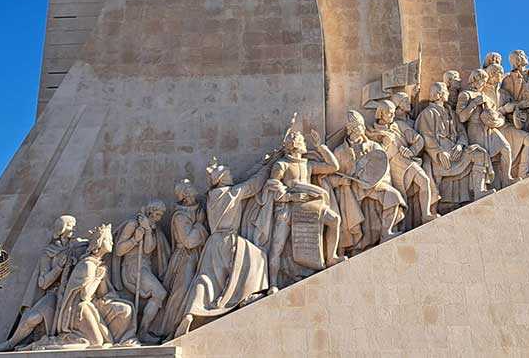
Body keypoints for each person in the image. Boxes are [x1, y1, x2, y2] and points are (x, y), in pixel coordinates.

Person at [173, 159, 272, 338]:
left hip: (212, 243)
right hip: (229, 240)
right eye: (228, 174)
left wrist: (264, 162)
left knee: (205, 279)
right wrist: (268, 167)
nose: (232, 176)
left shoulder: (211, 196)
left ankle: (190, 313)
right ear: (223, 179)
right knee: (258, 256)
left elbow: (248, 176)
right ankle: (246, 295)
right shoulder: (233, 193)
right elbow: (254, 184)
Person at [256, 124, 344, 285]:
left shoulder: (307, 165)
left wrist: (321, 146)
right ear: (294, 145)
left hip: (307, 208)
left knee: (334, 220)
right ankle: (273, 284)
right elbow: (273, 189)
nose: (305, 143)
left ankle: (331, 257)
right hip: (286, 209)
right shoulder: (282, 165)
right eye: (302, 140)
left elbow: (333, 166)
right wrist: (292, 197)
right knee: (277, 246)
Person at [0, 215, 83, 351]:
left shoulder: (77, 245)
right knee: (32, 319)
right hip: (54, 294)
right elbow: (43, 283)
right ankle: (10, 343)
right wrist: (58, 268)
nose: (74, 228)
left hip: (71, 294)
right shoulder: (48, 252)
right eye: (70, 225)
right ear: (62, 228)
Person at [328, 110, 405, 253]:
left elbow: (382, 166)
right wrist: (341, 182)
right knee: (347, 210)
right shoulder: (339, 151)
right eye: (358, 126)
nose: (362, 129)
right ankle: (347, 247)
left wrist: (375, 180)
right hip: (352, 189)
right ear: (350, 129)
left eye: (362, 126)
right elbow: (330, 175)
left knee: (393, 196)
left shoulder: (373, 146)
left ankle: (386, 232)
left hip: (373, 185)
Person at [54, 224, 138, 348]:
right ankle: (59, 341)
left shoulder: (98, 264)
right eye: (108, 240)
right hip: (78, 309)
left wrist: (102, 280)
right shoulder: (88, 265)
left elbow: (102, 294)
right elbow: (85, 295)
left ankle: (123, 340)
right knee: (97, 342)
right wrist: (98, 278)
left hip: (93, 303)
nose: (112, 243)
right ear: (99, 242)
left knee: (125, 309)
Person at [416, 82, 493, 209]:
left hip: (455, 148)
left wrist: (460, 145)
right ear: (439, 94)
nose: (447, 93)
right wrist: (439, 152)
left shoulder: (450, 112)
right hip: (441, 155)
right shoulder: (428, 113)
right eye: (445, 91)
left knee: (480, 153)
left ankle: (479, 191)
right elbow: (427, 136)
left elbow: (461, 131)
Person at [369, 99, 437, 227]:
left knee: (424, 181)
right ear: (381, 114)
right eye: (389, 113)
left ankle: (426, 214)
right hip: (392, 169)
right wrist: (385, 144)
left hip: (405, 161)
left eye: (393, 113)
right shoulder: (373, 133)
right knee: (399, 199)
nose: (392, 116)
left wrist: (411, 151)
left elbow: (418, 140)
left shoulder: (399, 125)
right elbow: (376, 158)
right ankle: (398, 227)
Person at [156, 179, 208, 340]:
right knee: (181, 291)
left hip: (198, 255)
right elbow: (189, 241)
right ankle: (170, 329)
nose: (193, 188)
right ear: (185, 194)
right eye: (189, 187)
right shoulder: (180, 216)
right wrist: (199, 224)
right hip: (185, 257)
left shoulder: (198, 208)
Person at [112, 200, 171, 343]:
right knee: (160, 293)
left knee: (160, 294)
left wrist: (148, 230)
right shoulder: (132, 225)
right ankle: (143, 331)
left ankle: (144, 330)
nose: (158, 218)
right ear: (149, 212)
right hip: (133, 268)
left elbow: (148, 249)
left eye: (160, 215)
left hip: (144, 267)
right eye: (156, 214)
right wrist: (134, 239)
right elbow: (119, 250)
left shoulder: (152, 229)